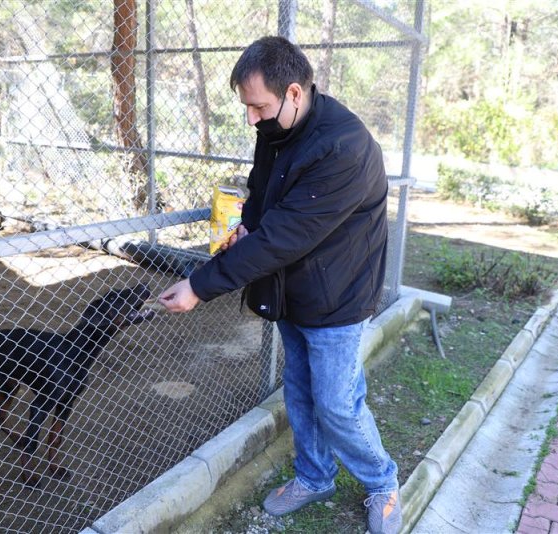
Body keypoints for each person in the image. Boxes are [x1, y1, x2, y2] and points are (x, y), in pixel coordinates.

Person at [158, 36, 400, 534]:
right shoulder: (277, 128)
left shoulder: (344, 148)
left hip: (338, 295)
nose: (251, 118)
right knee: (300, 390)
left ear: (293, 92)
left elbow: (286, 236)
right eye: (247, 107)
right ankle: (315, 477)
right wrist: (247, 223)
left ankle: (382, 481)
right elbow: (262, 191)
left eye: (258, 106)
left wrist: (199, 286)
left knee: (336, 402)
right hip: (294, 289)